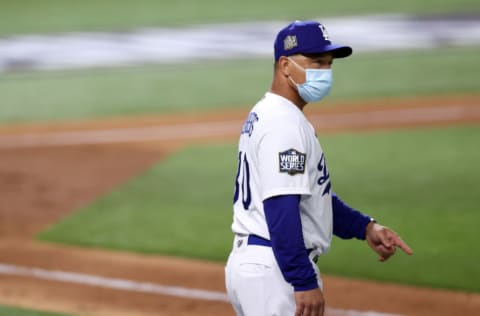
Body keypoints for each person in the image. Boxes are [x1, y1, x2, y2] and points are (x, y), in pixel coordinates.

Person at [225, 20, 413, 316]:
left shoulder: (268, 112)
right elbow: (281, 207)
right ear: (285, 65)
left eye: (328, 64)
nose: (324, 72)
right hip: (274, 272)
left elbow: (309, 196)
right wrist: (302, 280)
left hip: (260, 265)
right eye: (315, 62)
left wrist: (364, 227)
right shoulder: (284, 125)